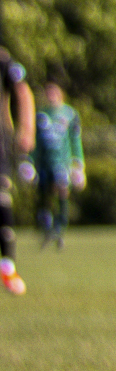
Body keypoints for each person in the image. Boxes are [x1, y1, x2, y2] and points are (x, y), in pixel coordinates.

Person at [33, 75, 84, 250]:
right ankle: (46, 227)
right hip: (44, 163)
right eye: (48, 91)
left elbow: (75, 139)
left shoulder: (69, 114)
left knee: (62, 191)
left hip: (62, 162)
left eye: (54, 91)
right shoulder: (41, 115)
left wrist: (78, 162)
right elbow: (35, 141)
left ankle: (60, 227)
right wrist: (30, 160)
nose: (51, 94)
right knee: (44, 195)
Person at [1, 47, 35, 296]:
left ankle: (8, 267)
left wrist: (27, 129)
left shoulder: (3, 61)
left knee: (1, 202)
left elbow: (22, 91)